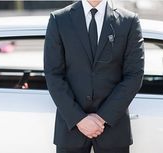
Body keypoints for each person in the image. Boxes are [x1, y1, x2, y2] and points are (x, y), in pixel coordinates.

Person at [44, 0, 144, 153]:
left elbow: (134, 75)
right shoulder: (59, 19)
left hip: (113, 129)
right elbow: (53, 74)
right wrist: (79, 119)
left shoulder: (129, 21)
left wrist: (102, 118)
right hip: (71, 129)